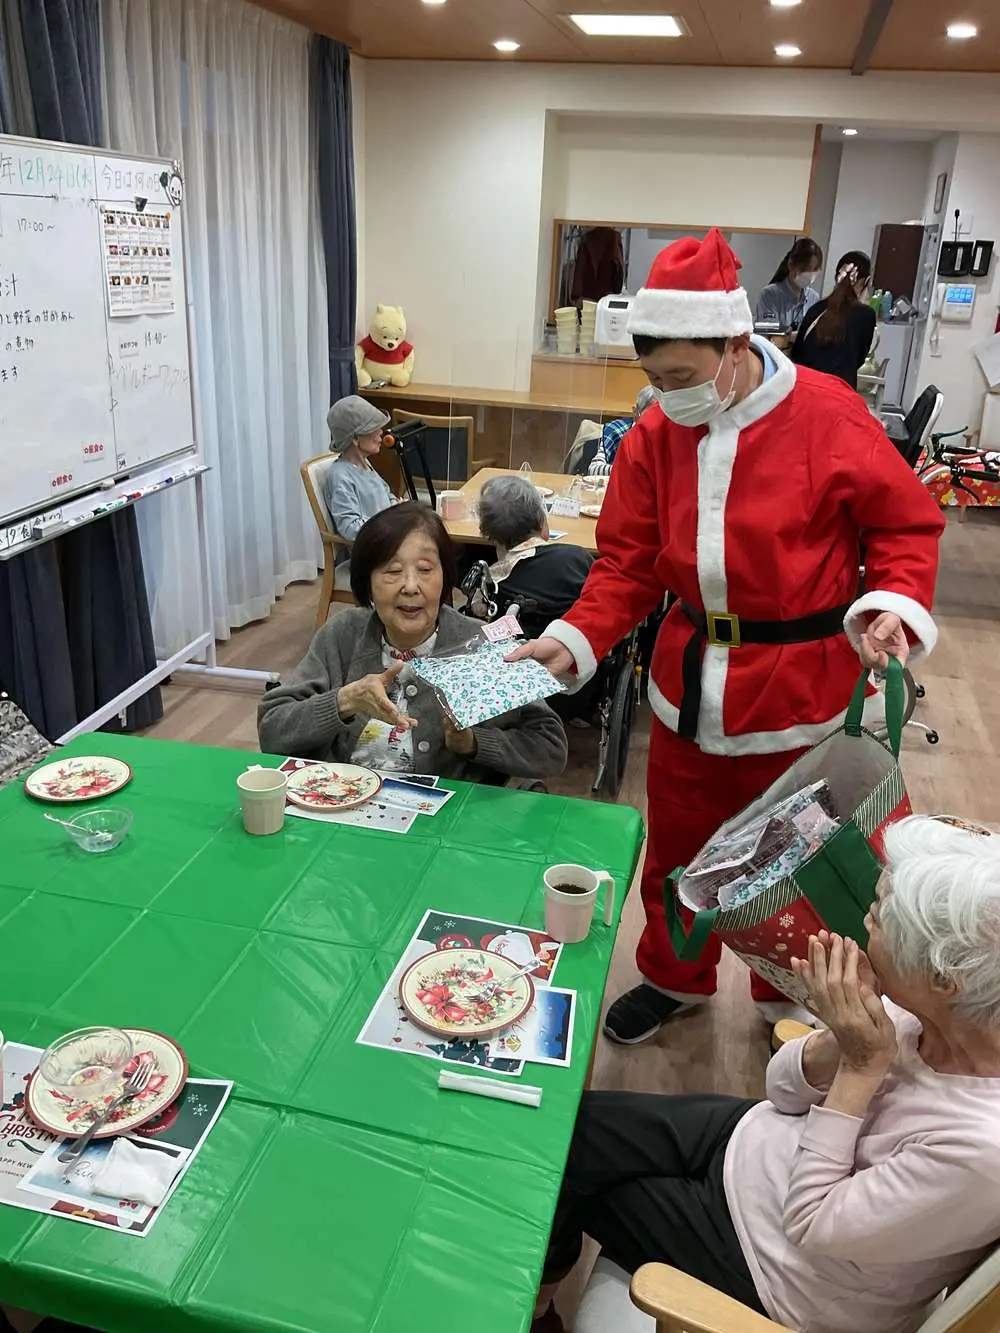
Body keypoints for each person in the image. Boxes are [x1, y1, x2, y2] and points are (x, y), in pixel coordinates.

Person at [509, 228, 945, 1045]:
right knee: (676, 847)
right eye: (654, 379)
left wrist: (893, 603)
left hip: (799, 682)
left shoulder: (827, 414)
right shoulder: (655, 436)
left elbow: (904, 525)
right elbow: (627, 563)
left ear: (736, 345)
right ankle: (675, 977)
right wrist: (575, 637)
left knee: (792, 858)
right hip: (689, 683)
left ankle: (797, 992)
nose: (666, 395)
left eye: (680, 377)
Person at [531, 816, 1000, 1333]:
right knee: (556, 1138)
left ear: (943, 978)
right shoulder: (933, 1012)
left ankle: (535, 1310)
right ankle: (541, 1297)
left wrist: (860, 1067)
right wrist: (841, 1039)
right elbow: (782, 1091)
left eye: (886, 915)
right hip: (758, 1147)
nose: (868, 916)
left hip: (778, 1270)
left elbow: (811, 1223)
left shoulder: (981, 1153)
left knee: (554, 1183)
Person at [258, 503, 567, 781]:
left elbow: (551, 747)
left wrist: (474, 743)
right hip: (340, 805)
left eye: (425, 569)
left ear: (445, 577)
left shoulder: (481, 644)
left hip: (444, 819)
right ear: (368, 582)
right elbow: (272, 729)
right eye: (392, 571)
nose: (410, 586)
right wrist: (345, 700)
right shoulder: (343, 633)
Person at [475, 475, 594, 626]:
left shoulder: (490, 584)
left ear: (486, 532)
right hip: (574, 636)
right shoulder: (577, 559)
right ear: (541, 521)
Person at [791, 250, 877, 390]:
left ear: (837, 276)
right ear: (866, 281)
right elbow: (858, 359)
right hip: (840, 393)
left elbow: (798, 353)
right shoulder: (866, 315)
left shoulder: (816, 309)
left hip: (807, 389)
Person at [323, 395, 396, 548]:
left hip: (388, 543)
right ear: (355, 438)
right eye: (374, 428)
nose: (381, 432)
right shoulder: (340, 476)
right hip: (372, 553)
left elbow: (386, 495)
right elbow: (350, 528)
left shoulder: (365, 465)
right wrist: (388, 524)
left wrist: (398, 508)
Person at [586, 385, 659, 478]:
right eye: (650, 416)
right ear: (636, 413)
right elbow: (594, 469)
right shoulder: (617, 431)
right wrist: (626, 471)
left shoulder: (667, 436)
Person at [755, 236, 823, 330]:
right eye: (805, 269)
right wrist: (792, 335)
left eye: (814, 270)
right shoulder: (769, 295)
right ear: (791, 264)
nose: (809, 275)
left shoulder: (814, 298)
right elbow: (767, 331)